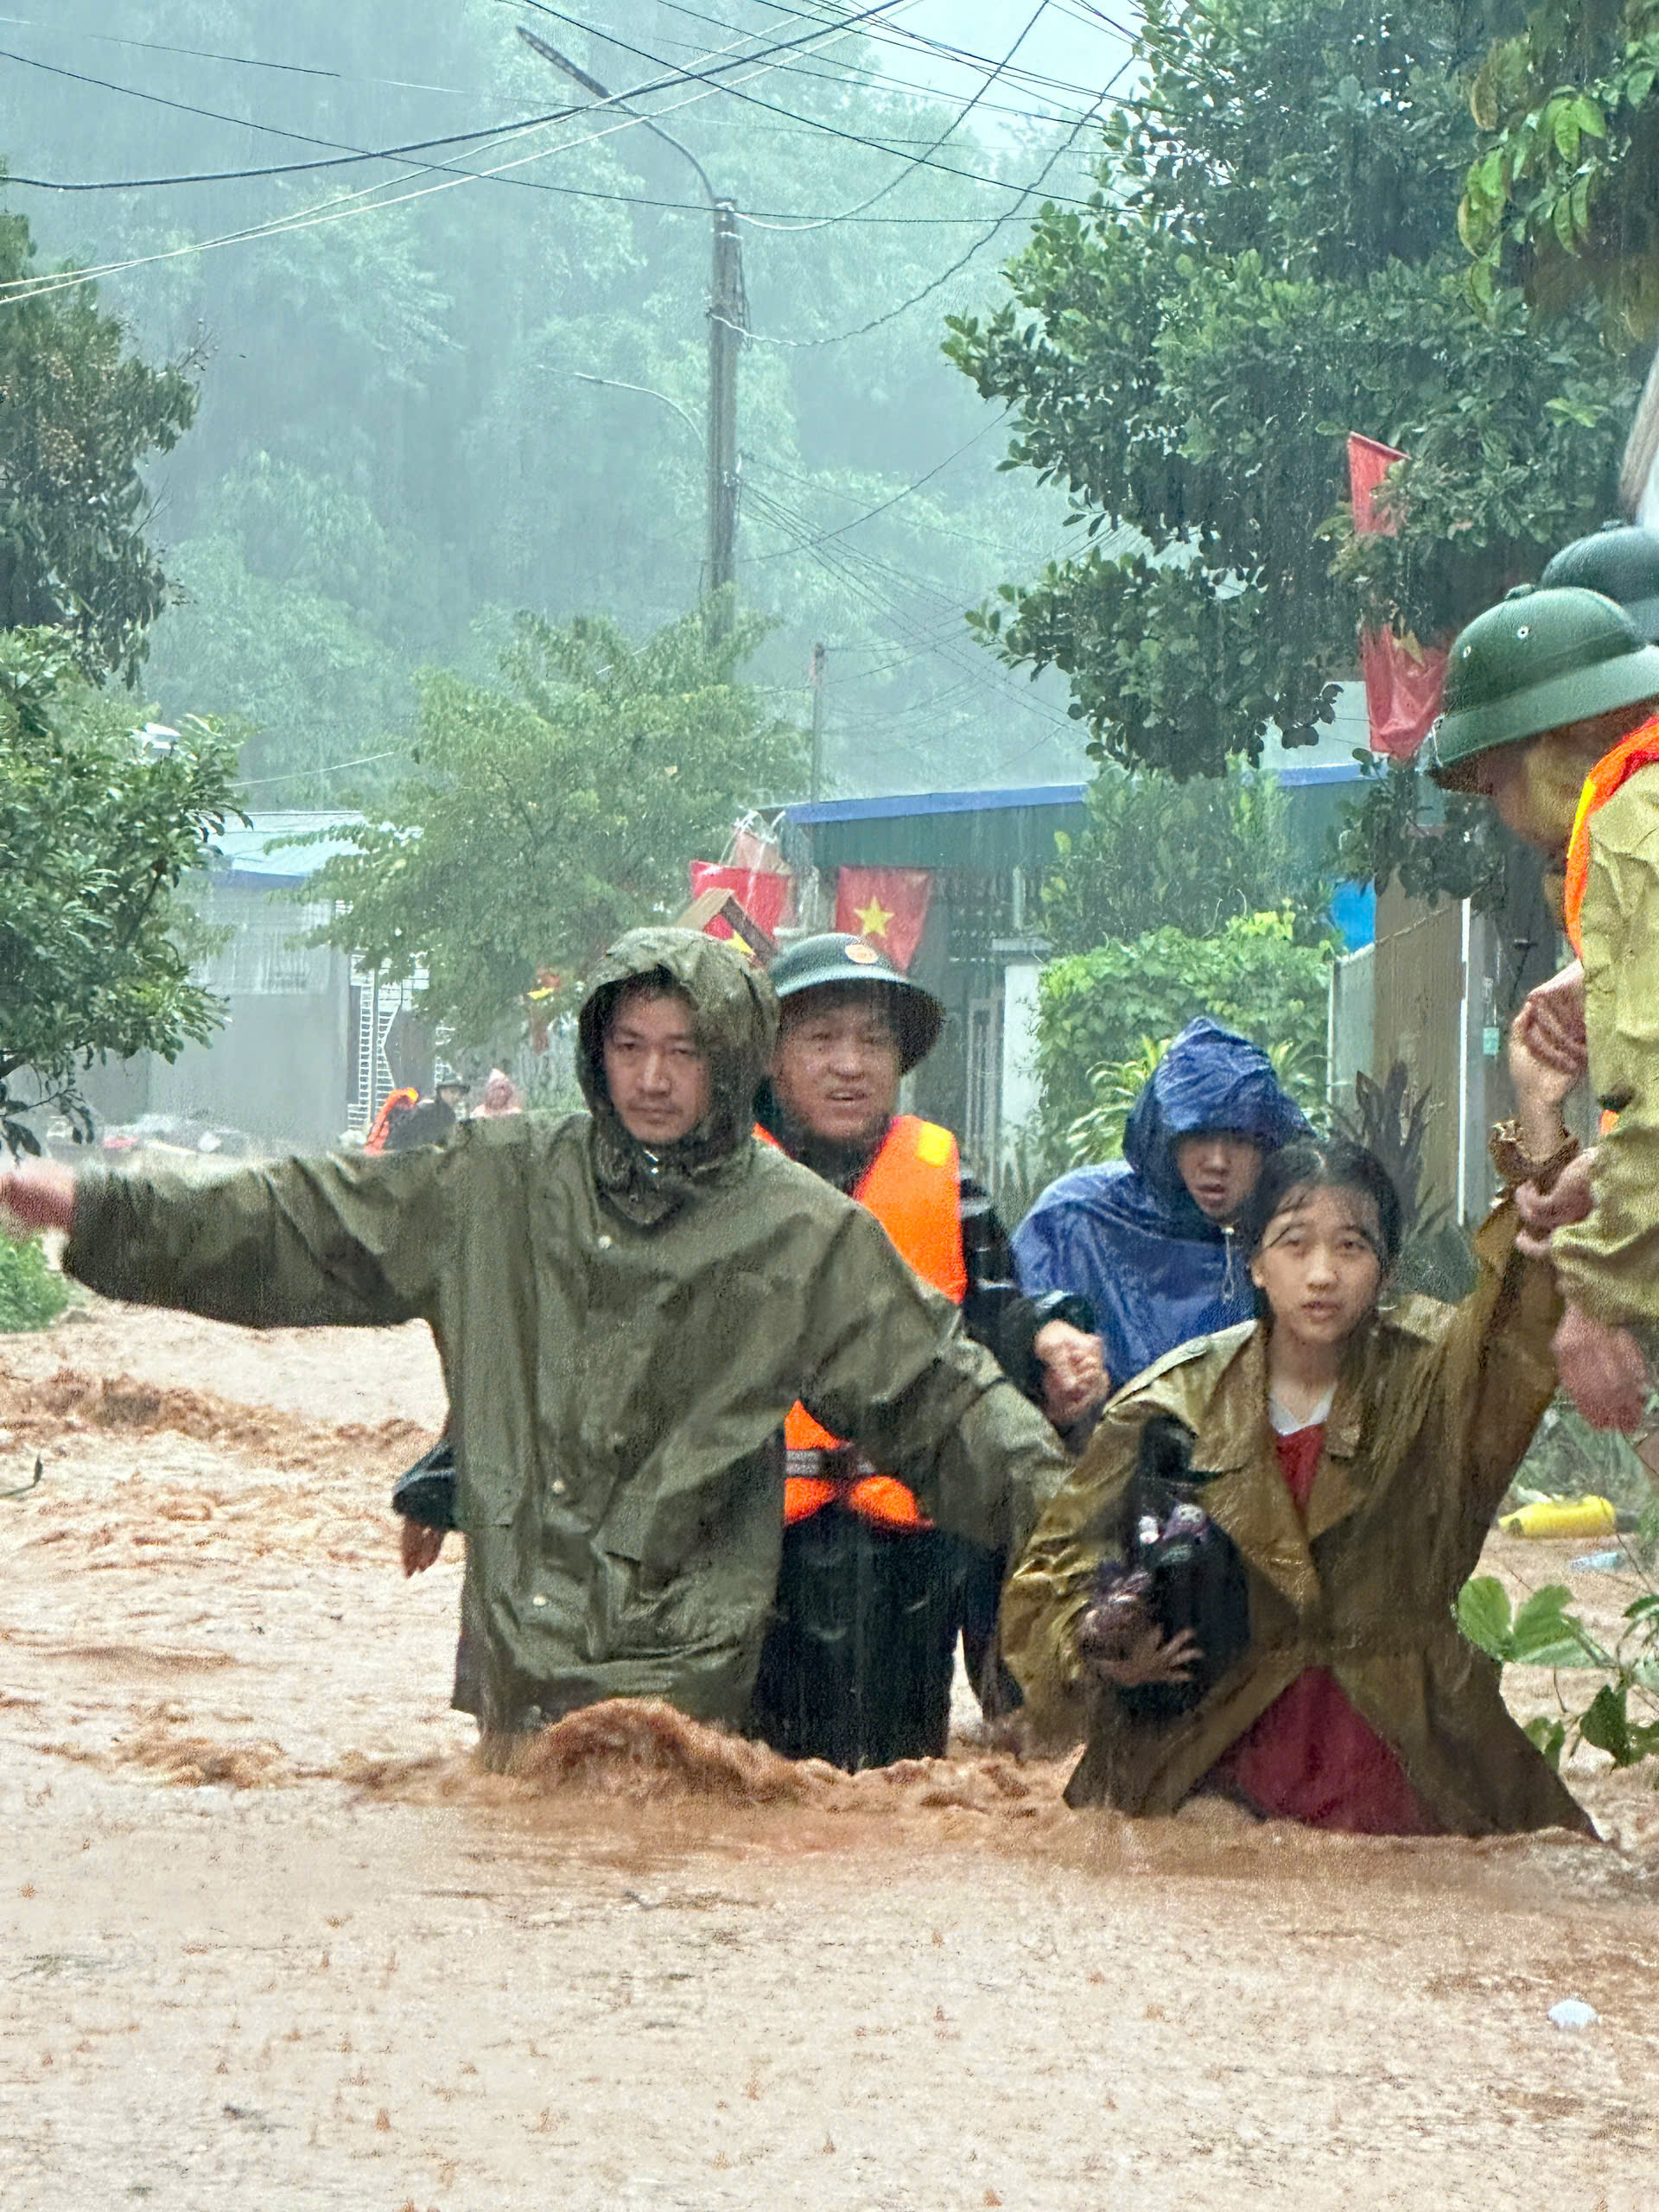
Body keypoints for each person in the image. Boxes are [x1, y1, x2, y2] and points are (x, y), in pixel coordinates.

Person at [0, 928, 1069, 1748]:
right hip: (520, 1653)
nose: (653, 1079)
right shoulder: (496, 1182)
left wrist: (1091, 1537)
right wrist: (97, 1208)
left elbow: (947, 1401)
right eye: (630, 1047)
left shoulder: (803, 1234)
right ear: (597, 1053)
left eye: (684, 1052)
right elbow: (302, 1221)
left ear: (732, 1059)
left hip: (692, 1673)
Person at [1000, 1022, 1593, 1838]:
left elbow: (1521, 1319)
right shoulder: (1170, 1405)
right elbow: (1049, 1574)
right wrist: (1101, 1644)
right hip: (1210, 1749)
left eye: (1351, 1247)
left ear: (1385, 1267)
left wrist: (1540, 1114)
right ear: (1253, 1261)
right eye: (1294, 1244)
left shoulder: (1436, 1379)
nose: (1321, 1274)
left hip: (1407, 1753)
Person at [745, 931, 1104, 1769]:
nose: (850, 1064)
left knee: (903, 1774)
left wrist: (1048, 1337)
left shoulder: (945, 1175)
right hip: (755, 1542)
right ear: (771, 1056)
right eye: (822, 1038)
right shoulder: (726, 1180)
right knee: (747, 1778)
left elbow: (996, 1311)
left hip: (909, 1543)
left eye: (873, 1040)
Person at [1424, 582, 1659, 1429]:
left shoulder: (1632, 826)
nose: (1501, 813)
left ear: (1552, 750)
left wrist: (1597, 1296)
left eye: (1494, 784)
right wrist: (1606, 1174)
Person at [1013, 1019, 1311, 1397]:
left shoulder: (1301, 1228)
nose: (1217, 1162)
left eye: (1237, 1139)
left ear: (1269, 1145)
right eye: (1198, 1135)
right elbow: (1009, 1330)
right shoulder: (1077, 1217)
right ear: (1167, 1137)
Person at [385, 1076, 468, 1151]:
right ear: (442, 1091)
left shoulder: (449, 1115)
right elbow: (405, 1136)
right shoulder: (427, 1109)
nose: (457, 1097)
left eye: (460, 1094)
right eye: (453, 1092)